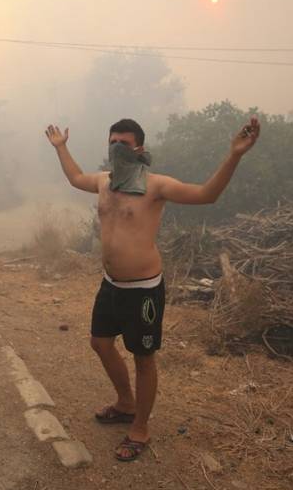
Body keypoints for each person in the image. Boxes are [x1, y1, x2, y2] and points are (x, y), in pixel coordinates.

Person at [44, 116, 260, 461]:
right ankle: (125, 403)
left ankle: (140, 428)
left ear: (139, 148)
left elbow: (207, 195)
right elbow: (74, 178)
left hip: (143, 289)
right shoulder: (103, 182)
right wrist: (61, 148)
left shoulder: (156, 185)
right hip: (110, 283)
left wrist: (235, 154)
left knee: (143, 358)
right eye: (112, 141)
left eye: (124, 143)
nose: (117, 148)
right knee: (100, 343)